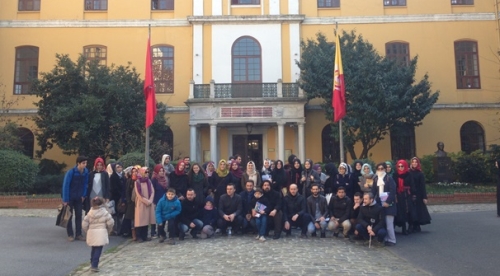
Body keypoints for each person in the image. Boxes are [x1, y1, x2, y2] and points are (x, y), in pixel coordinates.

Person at [82, 197, 114, 273]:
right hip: (101, 232)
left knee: (93, 248)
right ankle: (94, 265)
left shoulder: (89, 213)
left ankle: (92, 261)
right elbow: (111, 223)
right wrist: (108, 230)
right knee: (98, 249)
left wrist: (87, 231)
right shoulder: (105, 213)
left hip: (92, 232)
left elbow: (84, 224)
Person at [62, 156, 89, 242]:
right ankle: (70, 234)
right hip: (70, 197)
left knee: (79, 215)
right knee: (69, 216)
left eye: (86, 163)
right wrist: (65, 199)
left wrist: (83, 195)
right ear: (78, 163)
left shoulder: (85, 172)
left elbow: (85, 184)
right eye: (83, 163)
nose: (85, 165)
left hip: (79, 197)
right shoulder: (71, 172)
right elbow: (66, 185)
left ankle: (78, 234)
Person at [371, 163, 397, 246]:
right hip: (379, 203)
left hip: (389, 204)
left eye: (382, 168)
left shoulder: (389, 179)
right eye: (378, 169)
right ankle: (385, 238)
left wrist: (387, 202)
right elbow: (373, 191)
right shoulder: (376, 179)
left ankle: (392, 240)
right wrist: (371, 199)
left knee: (389, 223)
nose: (380, 170)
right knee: (383, 222)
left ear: (385, 169)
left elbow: (393, 192)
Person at [393, 159, 416, 235]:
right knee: (401, 211)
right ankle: (403, 228)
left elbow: (412, 184)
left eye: (402, 166)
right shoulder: (395, 175)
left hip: (407, 194)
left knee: (409, 210)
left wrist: (413, 194)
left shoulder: (409, 174)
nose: (400, 168)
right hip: (399, 195)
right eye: (399, 166)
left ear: (405, 166)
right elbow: (394, 185)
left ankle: (410, 226)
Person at [409, 157, 431, 232]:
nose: (414, 163)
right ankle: (411, 224)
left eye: (416, 162)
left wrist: (424, 197)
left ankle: (417, 225)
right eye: (413, 162)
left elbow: (422, 186)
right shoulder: (409, 172)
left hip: (418, 194)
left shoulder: (420, 173)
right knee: (411, 209)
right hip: (410, 193)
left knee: (418, 209)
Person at [134, 167, 156, 242]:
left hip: (149, 203)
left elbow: (152, 191)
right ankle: (139, 236)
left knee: (146, 220)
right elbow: (138, 194)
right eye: (146, 172)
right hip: (141, 203)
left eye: (148, 172)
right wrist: (146, 201)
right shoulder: (137, 182)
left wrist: (150, 200)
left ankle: (145, 235)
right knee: (140, 220)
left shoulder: (149, 181)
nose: (147, 174)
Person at [151, 164, 169, 238]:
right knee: (155, 217)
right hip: (156, 200)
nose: (161, 172)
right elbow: (152, 191)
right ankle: (153, 232)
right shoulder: (154, 179)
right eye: (160, 171)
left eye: (162, 171)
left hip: (164, 200)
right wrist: (153, 201)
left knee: (163, 216)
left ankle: (160, 232)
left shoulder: (165, 179)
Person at [109, 162, 126, 236]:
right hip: (115, 198)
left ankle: (120, 229)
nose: (119, 168)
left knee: (120, 214)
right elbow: (113, 188)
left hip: (122, 197)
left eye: (120, 167)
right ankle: (114, 229)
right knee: (115, 214)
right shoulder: (113, 176)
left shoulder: (123, 176)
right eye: (117, 167)